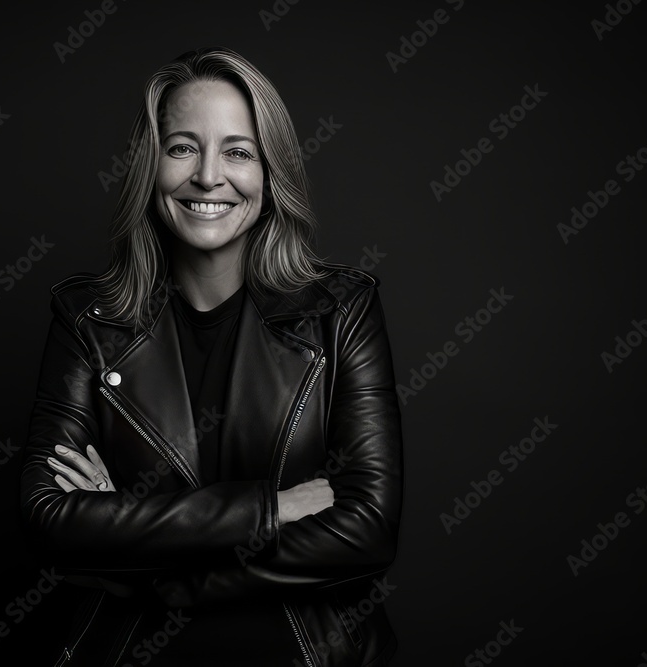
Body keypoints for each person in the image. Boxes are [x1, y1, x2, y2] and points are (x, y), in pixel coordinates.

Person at [20, 46, 403, 667]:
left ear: (270, 171)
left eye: (237, 151)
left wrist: (164, 575)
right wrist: (274, 507)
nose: (207, 177)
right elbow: (50, 520)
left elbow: (368, 530)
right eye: (181, 147)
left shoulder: (342, 311)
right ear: (152, 165)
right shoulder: (88, 319)